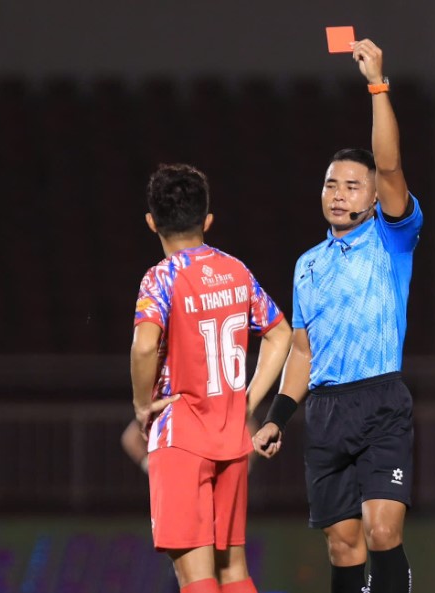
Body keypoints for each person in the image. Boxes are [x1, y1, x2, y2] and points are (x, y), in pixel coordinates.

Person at [252, 39, 422, 593]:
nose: (339, 195)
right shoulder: (307, 266)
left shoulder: (392, 238)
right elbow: (301, 350)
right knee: (342, 543)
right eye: (331, 184)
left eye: (353, 186)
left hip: (381, 401)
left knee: (380, 530)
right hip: (324, 412)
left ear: (374, 198)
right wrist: (278, 415)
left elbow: (390, 164)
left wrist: (377, 85)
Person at [131, 163, 292, 593]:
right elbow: (281, 334)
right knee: (233, 569)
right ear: (207, 221)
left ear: (152, 222)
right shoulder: (237, 272)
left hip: (181, 436)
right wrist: (247, 400)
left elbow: (145, 346)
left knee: (195, 576)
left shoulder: (160, 278)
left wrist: (141, 404)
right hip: (230, 438)